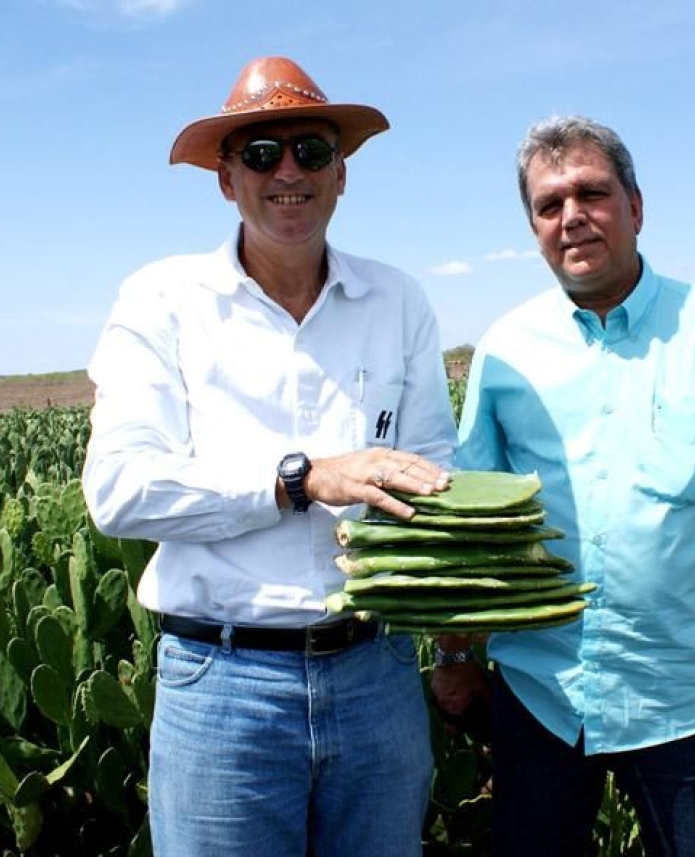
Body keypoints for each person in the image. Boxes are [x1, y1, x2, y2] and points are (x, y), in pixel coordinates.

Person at [431, 116, 695, 857]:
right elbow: (472, 523)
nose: (572, 217)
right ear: (534, 229)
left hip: (687, 696)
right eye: (549, 204)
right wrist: (456, 653)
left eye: (592, 193)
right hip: (542, 692)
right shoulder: (505, 351)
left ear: (636, 206)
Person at [81, 56, 457, 857]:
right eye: (260, 153)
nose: (289, 171)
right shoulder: (163, 300)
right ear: (227, 179)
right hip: (224, 684)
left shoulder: (398, 300)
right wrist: (301, 479)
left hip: (378, 673)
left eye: (311, 150)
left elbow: (433, 463)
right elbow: (119, 488)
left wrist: (461, 625)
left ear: (340, 173)